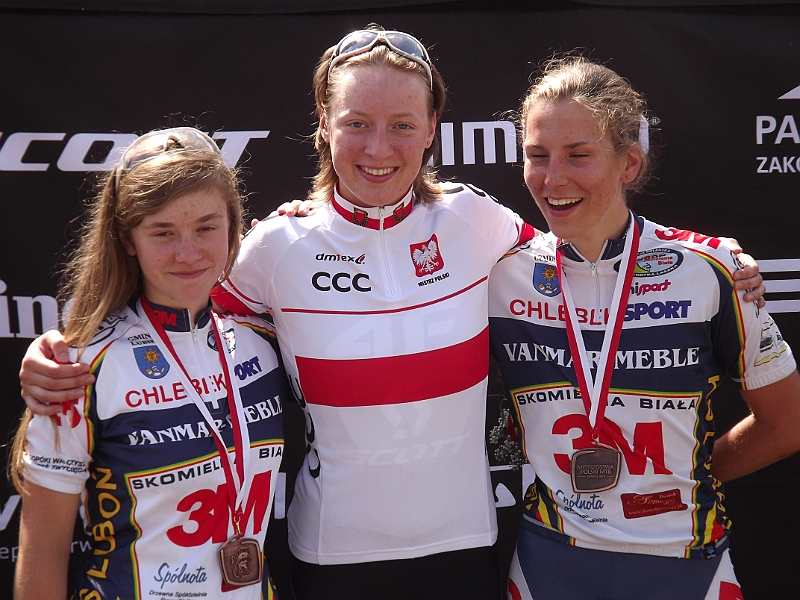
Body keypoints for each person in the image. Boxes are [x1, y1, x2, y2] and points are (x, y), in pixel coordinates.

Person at [16, 28, 766, 600]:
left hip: (466, 549)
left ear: (433, 127)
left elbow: (593, 252)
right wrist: (55, 353)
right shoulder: (275, 247)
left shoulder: (475, 221)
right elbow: (168, 312)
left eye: (403, 124)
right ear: (323, 122)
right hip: (329, 556)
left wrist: (712, 254)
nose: (379, 148)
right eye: (357, 123)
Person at [487, 55, 800, 599]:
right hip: (550, 563)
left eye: (578, 155)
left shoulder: (713, 270)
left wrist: (695, 475)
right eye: (537, 155)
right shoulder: (497, 273)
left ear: (629, 163)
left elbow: (787, 422)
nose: (553, 178)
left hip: (686, 561)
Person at [10, 127, 288, 600]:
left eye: (206, 227)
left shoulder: (265, 341)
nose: (188, 252)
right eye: (163, 232)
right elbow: (45, 552)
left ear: (234, 224)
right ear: (127, 239)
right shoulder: (76, 370)